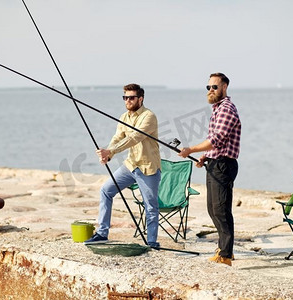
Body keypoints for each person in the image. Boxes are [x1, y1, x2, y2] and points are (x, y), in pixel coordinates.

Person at [84, 83, 161, 248]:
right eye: (125, 97)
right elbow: (118, 138)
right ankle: (102, 233)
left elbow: (134, 137)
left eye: (131, 98)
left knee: (151, 206)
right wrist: (108, 154)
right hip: (130, 165)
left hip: (148, 168)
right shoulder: (124, 117)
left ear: (140, 99)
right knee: (106, 191)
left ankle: (152, 241)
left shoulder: (149, 116)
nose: (128, 101)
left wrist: (111, 150)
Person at [178, 72, 241, 266]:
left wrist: (192, 149)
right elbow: (216, 144)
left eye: (214, 87)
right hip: (215, 162)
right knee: (213, 209)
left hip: (224, 165)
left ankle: (226, 254)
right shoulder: (217, 108)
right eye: (208, 87)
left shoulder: (227, 108)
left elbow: (217, 139)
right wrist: (204, 156)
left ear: (224, 88)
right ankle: (224, 249)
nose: (211, 90)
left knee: (221, 209)